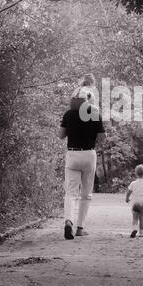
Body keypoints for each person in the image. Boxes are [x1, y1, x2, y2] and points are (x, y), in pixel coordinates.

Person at [59, 88, 105, 240]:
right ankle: (80, 228)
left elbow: (61, 135)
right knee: (86, 194)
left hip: (73, 154)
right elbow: (102, 138)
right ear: (88, 100)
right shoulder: (94, 113)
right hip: (88, 155)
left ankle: (68, 221)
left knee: (71, 192)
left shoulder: (68, 114)